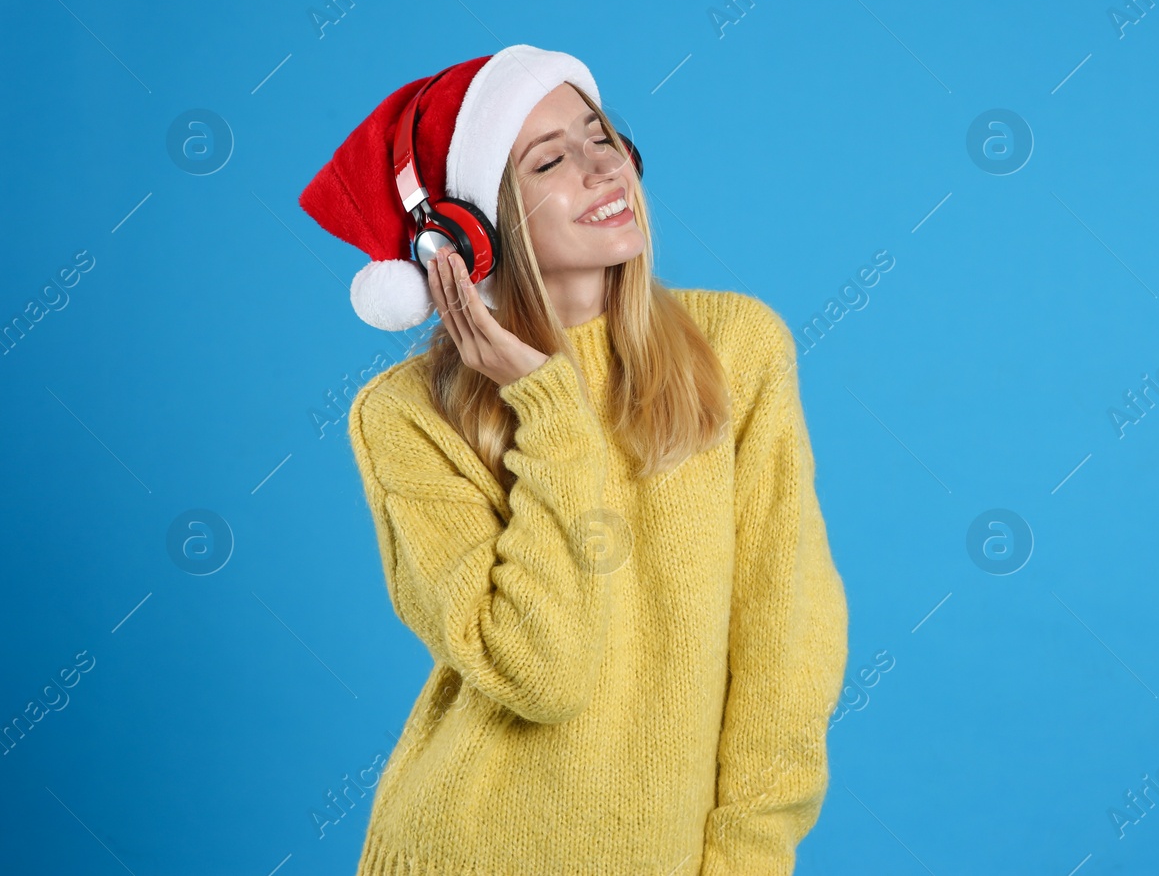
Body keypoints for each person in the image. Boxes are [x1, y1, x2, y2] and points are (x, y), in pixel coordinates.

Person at [297, 43, 850, 875]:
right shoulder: (405, 416)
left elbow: (787, 646)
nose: (603, 169)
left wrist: (748, 857)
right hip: (468, 846)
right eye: (550, 159)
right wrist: (548, 406)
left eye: (602, 138)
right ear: (469, 229)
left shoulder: (737, 350)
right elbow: (541, 672)